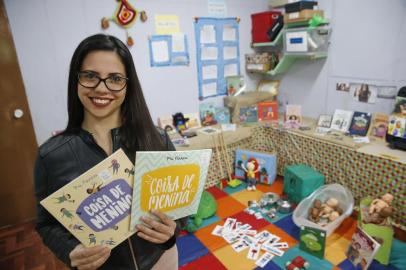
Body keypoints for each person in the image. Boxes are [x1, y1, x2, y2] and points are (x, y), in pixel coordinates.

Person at [34, 34, 187, 270]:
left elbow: (180, 204)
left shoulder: (156, 138)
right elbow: (46, 224)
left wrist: (172, 228)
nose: (101, 88)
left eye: (115, 78)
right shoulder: (51, 156)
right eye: (90, 76)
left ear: (128, 84)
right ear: (76, 80)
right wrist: (70, 251)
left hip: (161, 261)